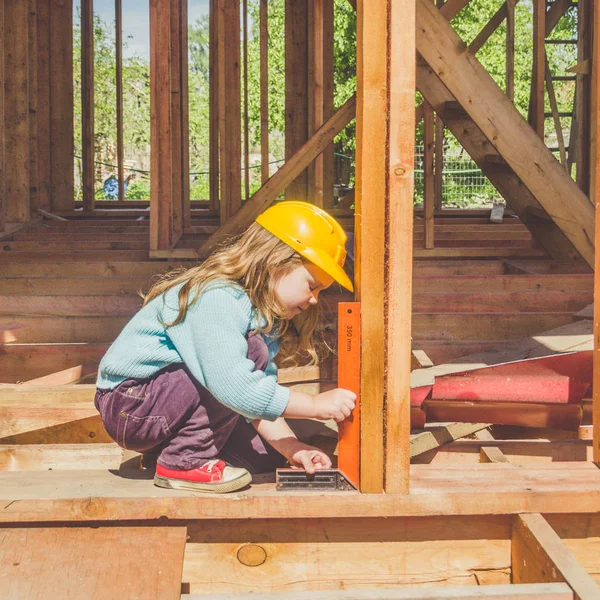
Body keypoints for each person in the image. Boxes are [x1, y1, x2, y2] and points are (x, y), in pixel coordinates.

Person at [95, 201, 356, 493]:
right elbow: (236, 388)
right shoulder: (217, 297)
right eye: (312, 285)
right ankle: (183, 461)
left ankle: (168, 454)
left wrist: (293, 448)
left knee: (261, 461)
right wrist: (314, 405)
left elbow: (256, 403)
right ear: (276, 263)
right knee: (246, 357)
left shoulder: (260, 317)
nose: (314, 300)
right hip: (131, 405)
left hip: (159, 404)